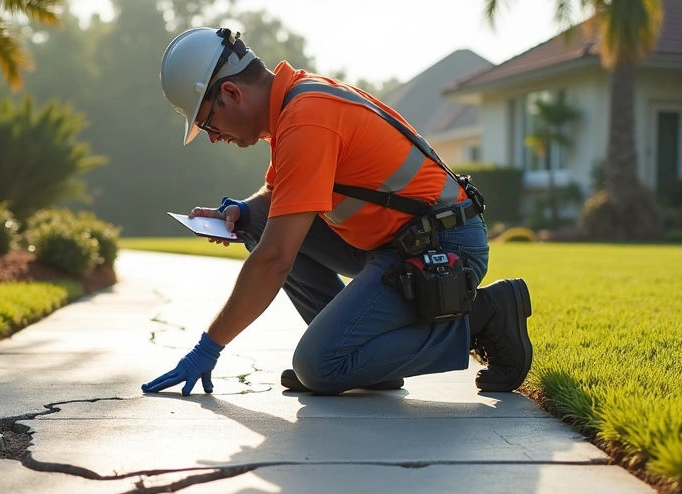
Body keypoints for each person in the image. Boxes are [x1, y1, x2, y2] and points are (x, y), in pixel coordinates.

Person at [142, 27, 531, 396]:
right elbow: (277, 194)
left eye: (208, 121)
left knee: (319, 366)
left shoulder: (306, 119)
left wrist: (209, 346)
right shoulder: (294, 105)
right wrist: (244, 211)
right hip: (399, 239)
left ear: (231, 91)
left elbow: (276, 259)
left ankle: (486, 314)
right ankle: (364, 361)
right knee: (258, 224)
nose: (212, 136)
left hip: (440, 244)